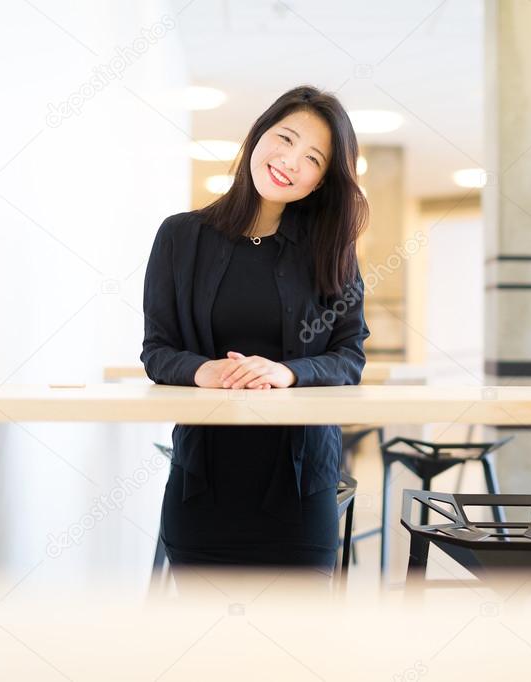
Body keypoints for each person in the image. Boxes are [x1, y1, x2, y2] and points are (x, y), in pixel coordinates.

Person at [140, 84, 370, 585]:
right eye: (285, 138)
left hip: (300, 488)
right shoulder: (179, 236)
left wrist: (288, 372)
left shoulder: (331, 250)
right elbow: (157, 351)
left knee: (297, 653)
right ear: (258, 134)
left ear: (320, 182)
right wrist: (204, 370)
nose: (290, 161)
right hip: (202, 484)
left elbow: (349, 356)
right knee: (204, 650)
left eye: (312, 158)